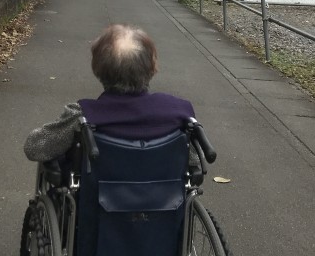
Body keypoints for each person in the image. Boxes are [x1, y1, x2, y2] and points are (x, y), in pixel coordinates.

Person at [24, 24, 195, 163]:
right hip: (165, 193)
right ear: (152, 68)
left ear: (98, 69)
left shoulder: (82, 116)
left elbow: (34, 148)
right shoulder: (181, 112)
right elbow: (194, 161)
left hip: (98, 194)